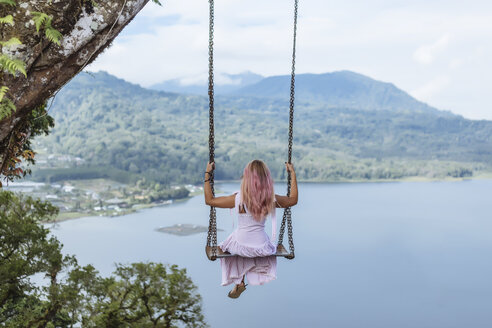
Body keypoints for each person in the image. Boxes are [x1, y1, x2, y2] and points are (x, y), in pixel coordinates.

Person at [204, 159, 298, 298]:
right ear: (266, 179)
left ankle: (239, 280)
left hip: (240, 245)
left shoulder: (238, 198)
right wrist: (292, 173)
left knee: (233, 244)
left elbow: (209, 200)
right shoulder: (270, 198)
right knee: (249, 245)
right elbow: (293, 200)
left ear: (247, 178)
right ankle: (241, 279)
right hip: (261, 247)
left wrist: (207, 174)